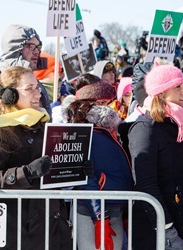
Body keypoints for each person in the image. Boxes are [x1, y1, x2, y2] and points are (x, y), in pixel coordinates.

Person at [0, 66, 72, 249]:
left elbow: (50, 173)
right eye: (29, 89)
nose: (38, 94)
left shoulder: (42, 123)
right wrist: (26, 173)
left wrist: (74, 169)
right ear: (9, 95)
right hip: (17, 230)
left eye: (37, 87)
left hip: (50, 226)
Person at [128, 64, 183, 249]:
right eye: (178, 87)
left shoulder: (178, 123)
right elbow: (146, 184)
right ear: (160, 94)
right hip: (161, 234)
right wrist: (167, 230)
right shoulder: (145, 128)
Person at [66, 93, 134, 250]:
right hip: (95, 210)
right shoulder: (90, 136)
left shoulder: (105, 135)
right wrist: (99, 217)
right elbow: (87, 179)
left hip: (112, 208)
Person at [0, 24, 52, 116]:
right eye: (31, 46)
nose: (36, 52)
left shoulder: (37, 85)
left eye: (38, 47)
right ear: (15, 49)